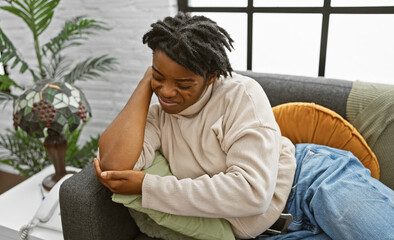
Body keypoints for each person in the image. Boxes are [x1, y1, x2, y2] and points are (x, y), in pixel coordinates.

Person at [93, 12, 394, 239]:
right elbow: (113, 164)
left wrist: (148, 187)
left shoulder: (240, 94)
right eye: (159, 78)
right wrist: (146, 84)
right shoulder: (158, 118)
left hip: (311, 183)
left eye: (183, 83)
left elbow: (251, 192)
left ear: (211, 76)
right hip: (271, 231)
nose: (168, 92)